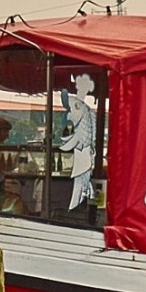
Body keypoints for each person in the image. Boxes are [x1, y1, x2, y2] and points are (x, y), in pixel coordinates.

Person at [60, 73, 96, 210]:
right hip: (83, 152)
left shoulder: (81, 107)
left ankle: (80, 205)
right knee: (81, 182)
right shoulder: (80, 106)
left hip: (84, 153)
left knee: (81, 182)